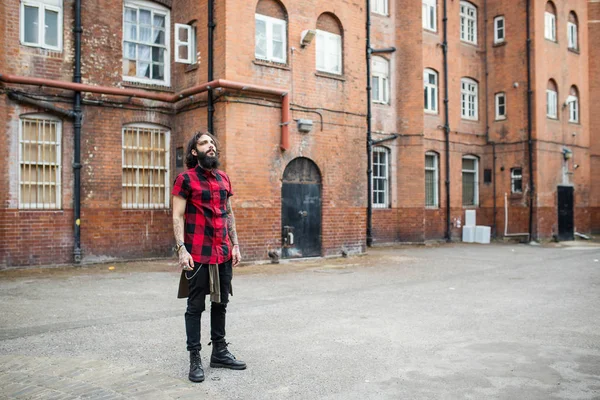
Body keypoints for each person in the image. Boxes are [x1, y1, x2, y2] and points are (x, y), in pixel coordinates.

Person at [172, 131, 246, 383]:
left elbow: (228, 212)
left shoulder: (223, 178)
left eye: (212, 142)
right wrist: (181, 248)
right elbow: (177, 215)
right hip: (198, 252)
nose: (210, 146)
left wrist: (235, 244)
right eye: (204, 143)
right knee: (195, 307)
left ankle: (220, 352)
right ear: (194, 151)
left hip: (223, 250)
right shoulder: (185, 179)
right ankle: (195, 357)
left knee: (221, 302)